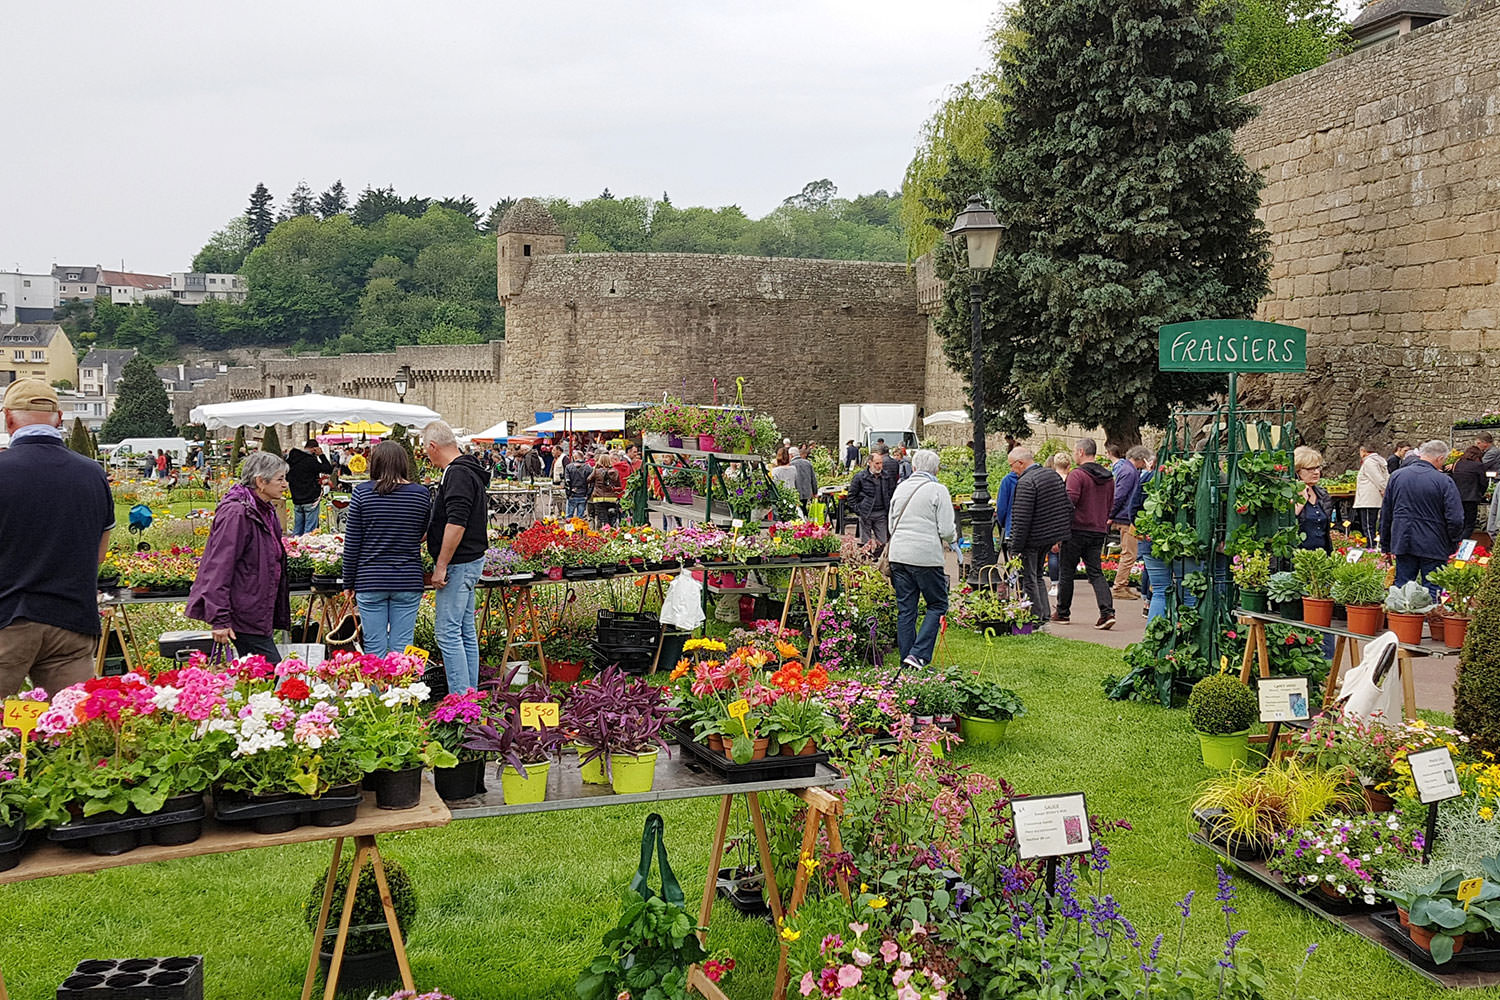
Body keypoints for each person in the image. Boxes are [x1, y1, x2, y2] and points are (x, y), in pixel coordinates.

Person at [0, 380, 114, 698]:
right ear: (59, 419)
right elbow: (99, 553)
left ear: (8, 418)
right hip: (72, 621)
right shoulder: (93, 473)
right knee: (72, 735)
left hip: (8, 618)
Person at [188, 451, 291, 664]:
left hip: (256, 608)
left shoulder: (264, 509)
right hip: (243, 612)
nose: (285, 484)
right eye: (280, 479)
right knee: (270, 670)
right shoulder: (237, 513)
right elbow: (218, 567)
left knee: (260, 676)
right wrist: (220, 619)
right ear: (260, 481)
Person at [342, 441, 433, 658]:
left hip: (370, 579)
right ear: (403, 464)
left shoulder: (362, 493)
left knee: (374, 648)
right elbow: (423, 533)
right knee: (402, 647)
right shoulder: (420, 494)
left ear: (376, 464)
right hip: (407, 578)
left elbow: (352, 542)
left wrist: (348, 582)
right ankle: (401, 691)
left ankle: (376, 692)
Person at [423, 420, 492, 694]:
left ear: (433, 446)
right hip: (471, 559)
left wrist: (441, 565)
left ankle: (461, 700)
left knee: (448, 633)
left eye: (425, 451)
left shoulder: (457, 474)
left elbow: (456, 523)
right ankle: (469, 695)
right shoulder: (468, 469)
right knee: (464, 631)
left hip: (459, 563)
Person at [886, 449, 956, 669]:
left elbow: (891, 525)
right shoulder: (938, 490)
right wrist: (952, 539)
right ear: (936, 469)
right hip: (925, 556)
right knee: (937, 603)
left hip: (898, 555)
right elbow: (946, 530)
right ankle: (918, 654)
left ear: (913, 467)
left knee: (906, 608)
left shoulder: (900, 488)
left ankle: (907, 659)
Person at [1381, 439, 1464, 592]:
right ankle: (1429, 615)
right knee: (1433, 589)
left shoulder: (1397, 477)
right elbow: (1456, 518)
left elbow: (1386, 513)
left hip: (1403, 540)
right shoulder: (1444, 481)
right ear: (1440, 458)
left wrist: (1385, 544)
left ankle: (1403, 615)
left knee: (1403, 589)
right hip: (1434, 543)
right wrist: (1453, 541)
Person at [1007, 446, 1072, 626]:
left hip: (1032, 538)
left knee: (1029, 576)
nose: (1012, 470)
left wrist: (1015, 547)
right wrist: (1058, 534)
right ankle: (1043, 613)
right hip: (1049, 536)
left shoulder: (1027, 482)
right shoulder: (1052, 475)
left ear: (1021, 463)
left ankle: (1035, 617)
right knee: (1037, 575)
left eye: (1012, 466)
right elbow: (1067, 507)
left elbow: (1021, 517)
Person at [1056, 438, 1116, 630]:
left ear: (1081, 452)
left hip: (1076, 529)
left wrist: (1060, 529)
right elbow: (1110, 503)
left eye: (1075, 451)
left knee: (1067, 571)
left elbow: (1069, 503)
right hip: (1097, 529)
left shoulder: (1077, 475)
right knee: (1096, 572)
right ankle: (1107, 612)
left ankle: (1063, 612)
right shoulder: (1108, 478)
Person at [1108, 445, 1148, 601]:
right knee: (1129, 553)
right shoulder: (1130, 472)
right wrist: (1111, 514)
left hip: (1125, 515)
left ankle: (1122, 585)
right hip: (1126, 517)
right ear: (1139, 458)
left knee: (1129, 553)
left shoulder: (1127, 469)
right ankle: (1119, 586)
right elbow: (1119, 495)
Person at [845, 452, 890, 553]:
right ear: (870, 463)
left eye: (881, 463)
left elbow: (891, 493)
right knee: (866, 544)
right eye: (877, 463)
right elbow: (851, 496)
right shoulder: (860, 477)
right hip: (866, 513)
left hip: (881, 514)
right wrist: (859, 510)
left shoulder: (886, 476)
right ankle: (866, 562)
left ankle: (879, 563)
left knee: (882, 543)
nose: (879, 466)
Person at [286, 438, 332, 535]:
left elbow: (287, 477)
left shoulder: (291, 460)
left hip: (296, 498)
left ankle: (294, 547)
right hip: (310, 498)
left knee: (297, 528)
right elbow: (328, 469)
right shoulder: (310, 461)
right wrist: (321, 455)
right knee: (309, 531)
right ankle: (305, 548)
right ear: (314, 449)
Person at [1292, 446, 1334, 553]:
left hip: (1322, 557)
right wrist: (1301, 500)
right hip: (1298, 558)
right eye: (1310, 469)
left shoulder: (1322, 494)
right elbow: (1288, 522)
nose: (1316, 472)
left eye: (1317, 468)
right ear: (1297, 472)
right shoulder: (1290, 494)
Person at [1353, 443, 1390, 545]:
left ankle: (1372, 545)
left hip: (1368, 499)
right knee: (1370, 524)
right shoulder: (1379, 461)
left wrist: (1384, 489)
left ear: (1363, 451)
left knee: (1368, 525)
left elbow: (1378, 478)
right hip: (1371, 498)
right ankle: (1372, 544)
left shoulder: (1370, 462)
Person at [1449, 444, 1486, 540]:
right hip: (1471, 498)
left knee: (1460, 522)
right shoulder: (1478, 465)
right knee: (1469, 525)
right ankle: (1462, 545)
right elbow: (1483, 483)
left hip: (1457, 498)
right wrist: (1481, 494)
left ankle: (1456, 542)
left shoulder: (1458, 464)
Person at [588, 451, 622, 527]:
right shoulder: (614, 471)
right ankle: (612, 531)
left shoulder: (596, 471)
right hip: (612, 498)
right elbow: (618, 484)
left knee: (602, 518)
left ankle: (604, 531)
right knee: (612, 516)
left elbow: (588, 479)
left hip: (599, 497)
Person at [563, 450, 592, 518]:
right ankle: (579, 528)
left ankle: (569, 528)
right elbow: (591, 484)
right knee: (580, 518)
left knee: (569, 517)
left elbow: (567, 482)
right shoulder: (588, 468)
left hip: (572, 495)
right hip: (583, 494)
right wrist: (588, 495)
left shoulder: (568, 467)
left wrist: (568, 494)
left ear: (575, 458)